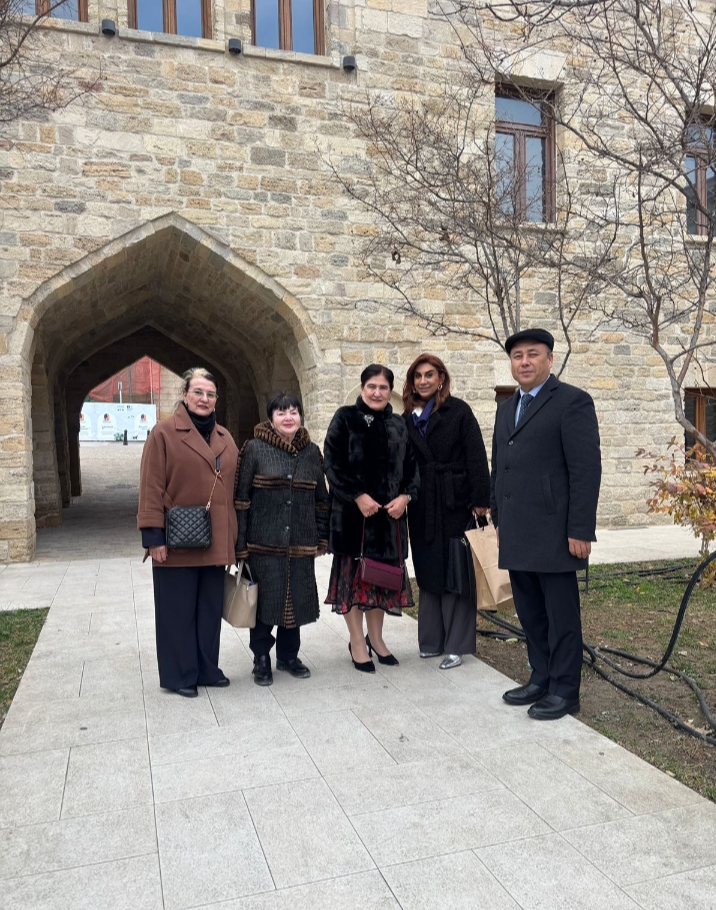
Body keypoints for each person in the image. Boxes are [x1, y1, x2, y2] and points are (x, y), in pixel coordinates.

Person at [491, 329, 601, 720]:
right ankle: (541, 678)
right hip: (516, 530)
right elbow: (499, 469)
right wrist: (498, 519)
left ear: (549, 360)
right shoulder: (507, 408)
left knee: (560, 616)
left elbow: (586, 470)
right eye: (517, 355)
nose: (524, 362)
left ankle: (566, 690)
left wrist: (580, 529)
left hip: (555, 532)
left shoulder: (572, 402)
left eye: (533, 354)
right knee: (530, 613)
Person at [138, 368, 239, 697]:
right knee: (176, 612)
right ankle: (180, 675)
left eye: (210, 394)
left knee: (209, 611)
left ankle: (206, 668)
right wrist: (154, 537)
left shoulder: (225, 437)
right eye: (198, 392)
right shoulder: (164, 433)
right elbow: (151, 486)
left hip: (215, 540)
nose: (204, 399)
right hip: (177, 540)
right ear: (185, 395)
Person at [323, 365, 420, 671]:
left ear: (390, 390)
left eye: (383, 387)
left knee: (380, 583)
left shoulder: (398, 424)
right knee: (353, 583)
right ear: (362, 387)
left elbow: (412, 469)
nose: (377, 392)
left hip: (389, 521)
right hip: (353, 519)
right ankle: (356, 641)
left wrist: (405, 497)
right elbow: (332, 464)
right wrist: (357, 496)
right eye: (371, 386)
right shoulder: (345, 418)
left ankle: (376, 639)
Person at [234, 393, 330, 686]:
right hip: (263, 545)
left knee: (296, 602)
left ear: (300, 415)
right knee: (264, 605)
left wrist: (322, 537)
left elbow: (322, 500)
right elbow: (241, 500)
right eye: (281, 412)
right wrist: (240, 545)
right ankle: (261, 659)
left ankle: (289, 656)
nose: (288, 417)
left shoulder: (311, 452)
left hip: (300, 542)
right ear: (271, 418)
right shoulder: (254, 449)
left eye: (293, 412)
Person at [403, 354, 490, 669]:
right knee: (428, 571)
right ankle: (431, 640)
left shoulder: (459, 411)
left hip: (455, 501)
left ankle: (456, 645)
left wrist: (481, 499)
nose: (423, 381)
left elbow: (476, 455)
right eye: (418, 376)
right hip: (422, 504)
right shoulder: (407, 418)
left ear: (441, 378)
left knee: (456, 572)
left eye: (429, 375)